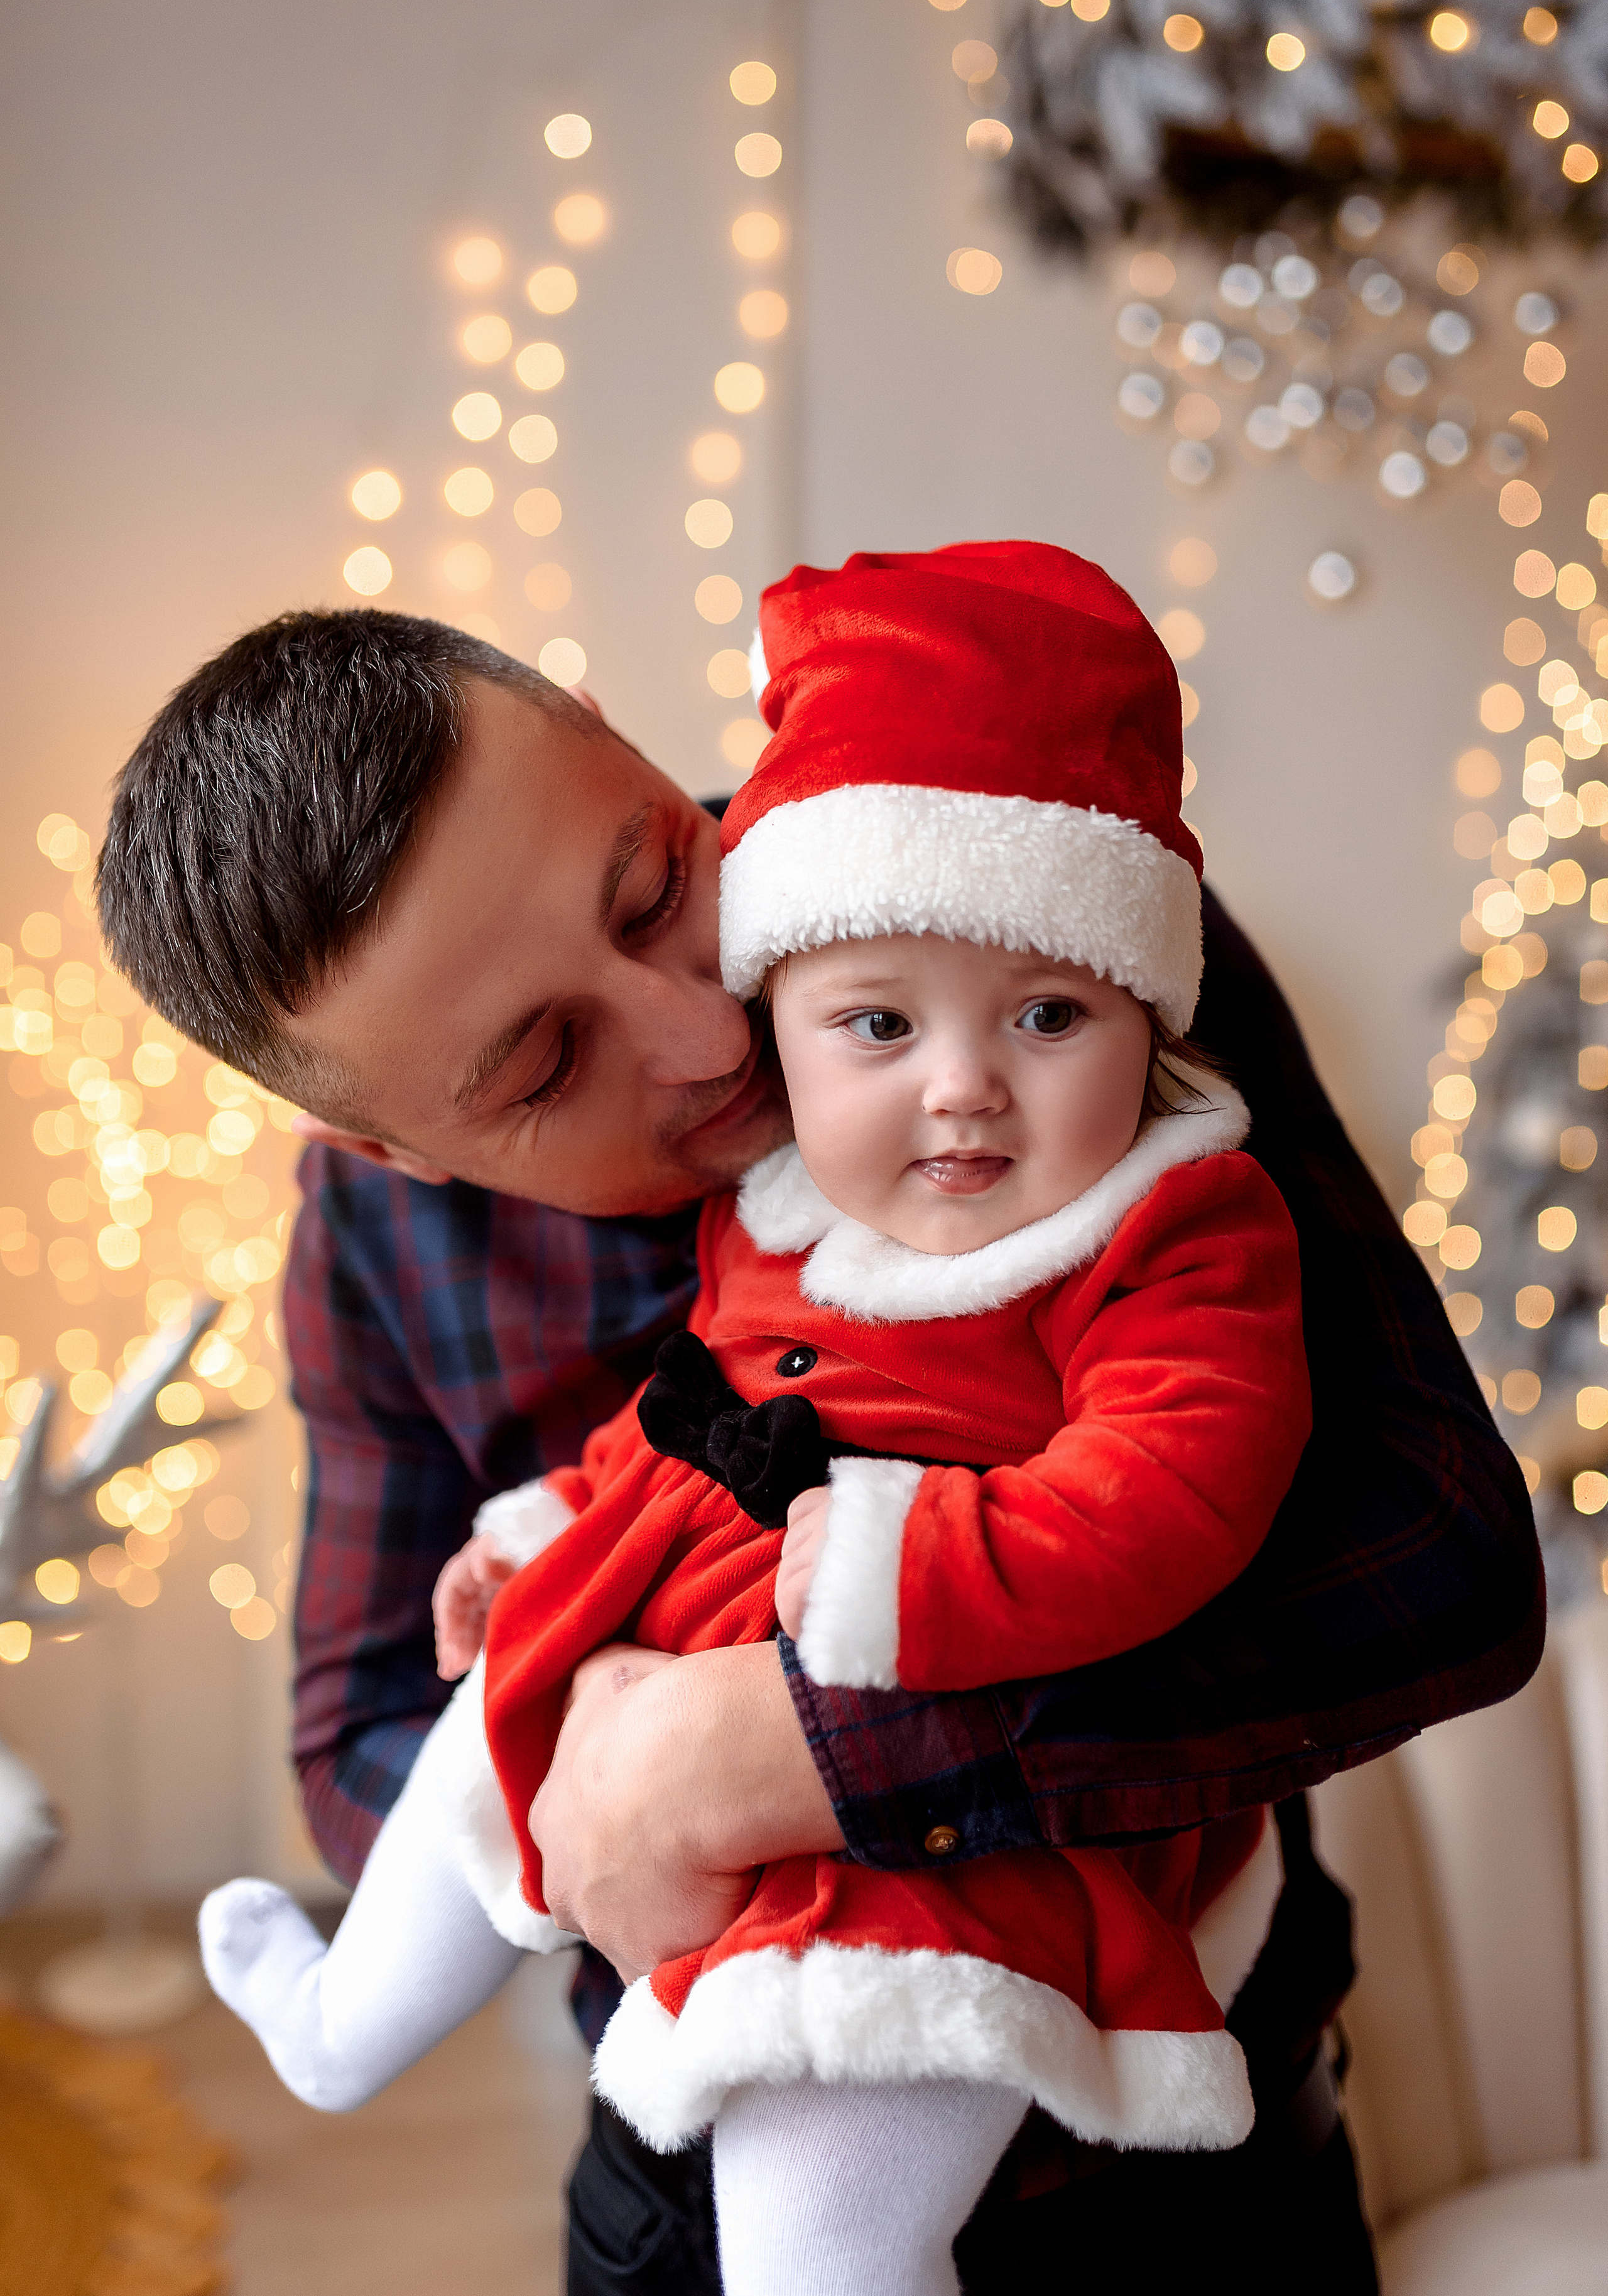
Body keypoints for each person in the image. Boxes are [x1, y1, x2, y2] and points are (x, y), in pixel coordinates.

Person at [95, 584, 1543, 2294]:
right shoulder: (375, 1241)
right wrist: (592, 1736)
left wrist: (784, 1749)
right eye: (548, 1062)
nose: (707, 1031)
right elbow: (358, 1738)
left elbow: (1442, 1561)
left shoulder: (1027, 897)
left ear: (611, 736)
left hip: (1194, 2179)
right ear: (393, 1148)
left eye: (654, 885)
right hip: (696, 2194)